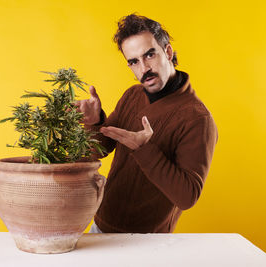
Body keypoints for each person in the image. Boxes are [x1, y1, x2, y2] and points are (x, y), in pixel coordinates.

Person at [75, 13, 218, 233]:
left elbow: (187, 196)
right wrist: (94, 123)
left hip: (149, 241)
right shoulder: (132, 95)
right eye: (133, 61)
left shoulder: (197, 118)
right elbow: (99, 148)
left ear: (168, 52)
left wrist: (144, 149)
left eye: (149, 55)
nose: (144, 69)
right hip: (101, 227)